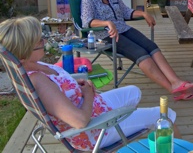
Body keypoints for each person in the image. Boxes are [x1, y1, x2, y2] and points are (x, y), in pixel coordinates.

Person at [0, 16, 181, 151]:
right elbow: (80, 121)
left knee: (134, 92)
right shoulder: (38, 80)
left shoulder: (34, 64)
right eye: (39, 40)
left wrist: (75, 84)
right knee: (165, 116)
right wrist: (87, 95)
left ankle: (127, 124)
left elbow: (57, 87)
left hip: (94, 107)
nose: (44, 40)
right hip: (93, 131)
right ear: (25, 49)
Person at [81, 0, 193, 101]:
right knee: (141, 53)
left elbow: (126, 11)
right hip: (106, 36)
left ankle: (177, 81)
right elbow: (87, 22)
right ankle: (171, 88)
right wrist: (107, 23)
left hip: (123, 28)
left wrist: (144, 13)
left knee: (151, 46)